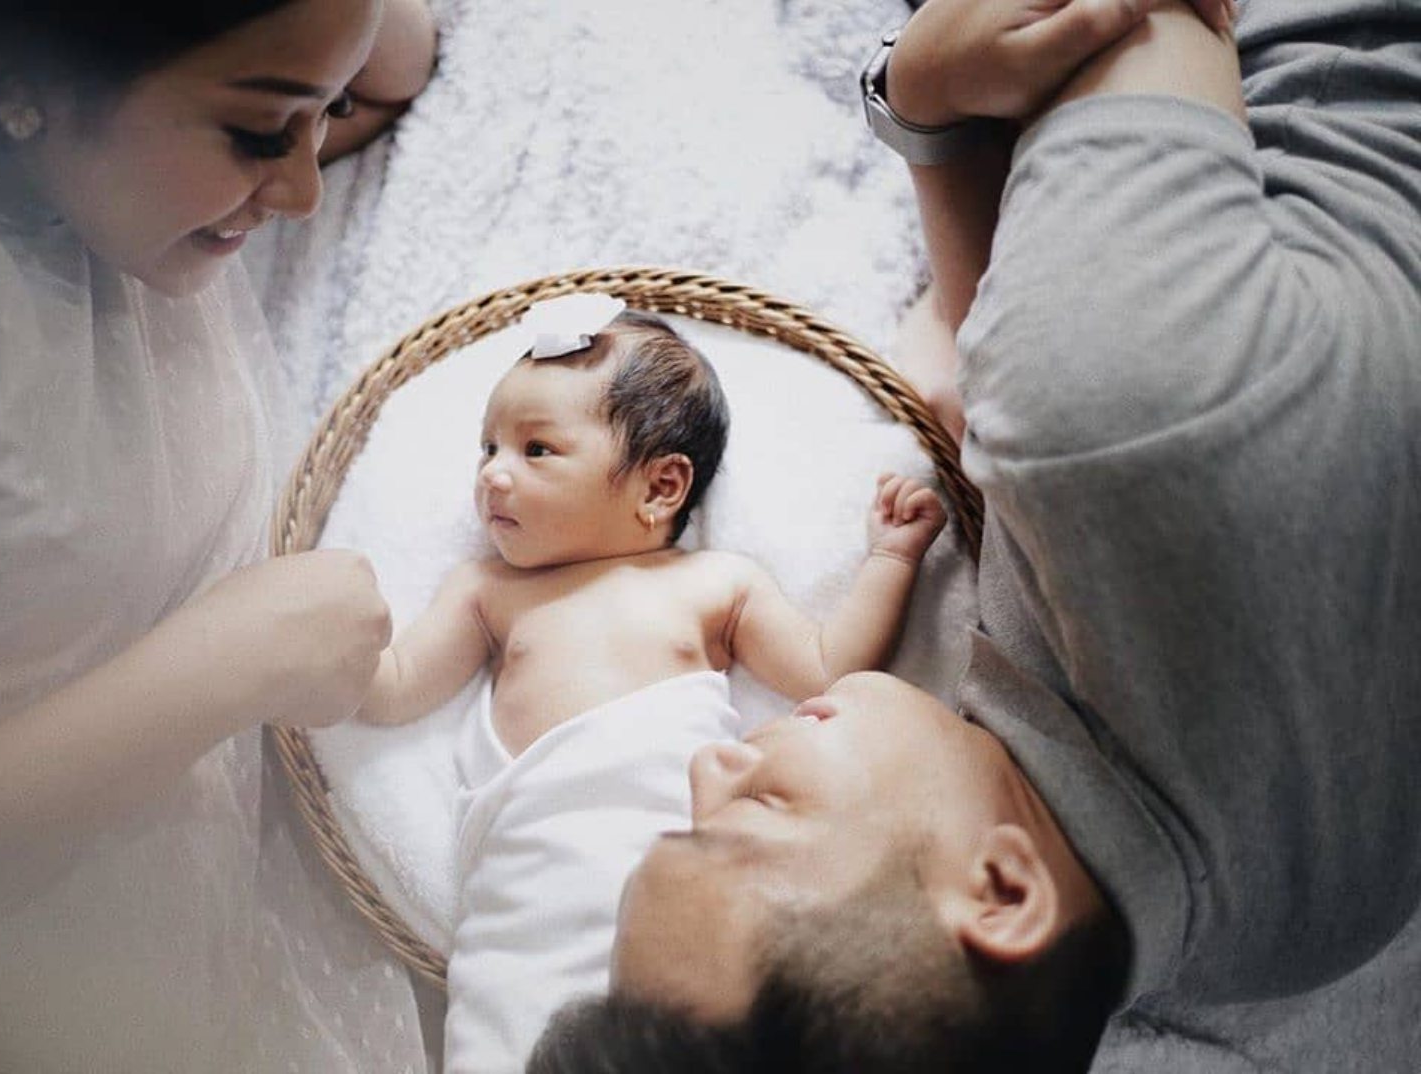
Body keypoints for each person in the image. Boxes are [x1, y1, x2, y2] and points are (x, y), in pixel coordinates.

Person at [528, 0, 1421, 1070]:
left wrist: (924, 115)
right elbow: (1109, 24)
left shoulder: (1296, 941)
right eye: (748, 810)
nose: (711, 760)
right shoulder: (1105, 423)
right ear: (1000, 889)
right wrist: (908, 85)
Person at [0, 1, 437, 1070]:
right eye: (259, 133)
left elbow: (397, 61)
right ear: (24, 81)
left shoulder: (113, 169)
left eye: (322, 117)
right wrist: (225, 665)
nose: (301, 192)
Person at [347, 295, 948, 1072]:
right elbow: (394, 689)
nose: (494, 473)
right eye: (487, 447)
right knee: (509, 1033)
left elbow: (828, 671)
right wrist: (341, 640)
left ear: (661, 487)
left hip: (686, 878)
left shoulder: (714, 583)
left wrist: (892, 561)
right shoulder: (486, 591)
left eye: (536, 451)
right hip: (533, 894)